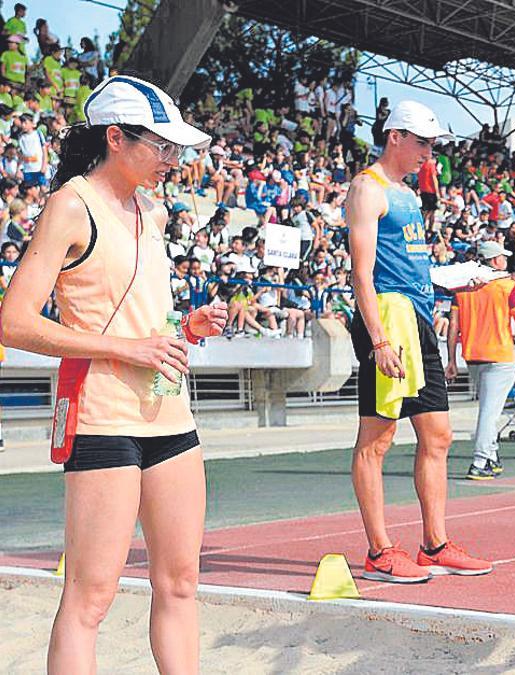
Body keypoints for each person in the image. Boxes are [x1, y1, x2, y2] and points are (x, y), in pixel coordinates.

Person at [0, 76, 226, 674]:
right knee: (90, 596)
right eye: (163, 147)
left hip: (170, 416)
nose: (173, 161)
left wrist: (189, 329)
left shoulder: (149, 210)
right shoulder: (71, 203)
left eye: (178, 149)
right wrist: (129, 348)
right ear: (117, 139)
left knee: (180, 584)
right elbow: (15, 323)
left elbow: (143, 319)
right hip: (102, 417)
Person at [345, 99, 491, 584]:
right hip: (389, 321)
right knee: (378, 439)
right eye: (423, 143)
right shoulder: (368, 188)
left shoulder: (406, 195)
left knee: (438, 436)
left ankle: (434, 544)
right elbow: (362, 274)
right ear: (396, 137)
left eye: (432, 144)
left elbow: (410, 267)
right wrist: (379, 339)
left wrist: (451, 280)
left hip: (420, 319)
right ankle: (380, 552)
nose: (430, 153)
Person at [444, 240, 515, 480]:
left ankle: (491, 456)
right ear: (496, 260)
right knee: (489, 413)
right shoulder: (507, 287)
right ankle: (480, 460)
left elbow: (453, 327)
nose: (506, 261)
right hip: (499, 356)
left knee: (488, 409)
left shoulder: (462, 288)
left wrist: (451, 361)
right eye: (503, 257)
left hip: (473, 356)